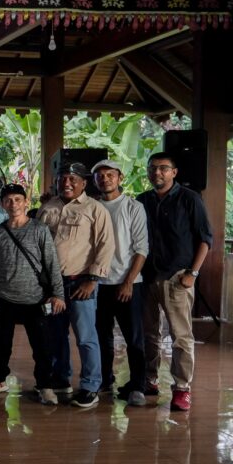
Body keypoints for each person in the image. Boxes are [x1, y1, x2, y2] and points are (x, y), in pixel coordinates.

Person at [137, 152, 212, 412]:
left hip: (177, 277)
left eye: (163, 168)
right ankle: (150, 379)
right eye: (152, 168)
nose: (157, 172)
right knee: (149, 334)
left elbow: (205, 239)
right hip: (146, 277)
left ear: (174, 172)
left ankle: (182, 388)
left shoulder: (190, 199)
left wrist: (192, 273)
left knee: (181, 336)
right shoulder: (142, 200)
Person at [37, 162, 115, 408]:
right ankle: (61, 380)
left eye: (72, 179)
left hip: (81, 282)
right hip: (51, 285)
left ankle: (91, 385)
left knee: (85, 337)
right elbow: (36, 243)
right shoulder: (48, 207)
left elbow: (105, 246)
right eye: (62, 178)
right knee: (55, 336)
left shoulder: (95, 209)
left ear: (84, 183)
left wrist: (93, 280)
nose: (67, 183)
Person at [0, 184, 66, 405]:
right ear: (2, 204)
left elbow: (51, 264)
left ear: (26, 202)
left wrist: (58, 294)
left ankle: (45, 385)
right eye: (8, 200)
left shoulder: (39, 230)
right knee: (0, 343)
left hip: (35, 298)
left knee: (42, 346)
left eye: (18, 200)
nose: (13, 205)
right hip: (3, 297)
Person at [92, 160, 149, 407]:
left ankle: (138, 385)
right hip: (98, 284)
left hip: (128, 284)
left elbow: (141, 249)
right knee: (101, 336)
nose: (105, 179)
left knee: (134, 338)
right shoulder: (91, 207)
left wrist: (127, 282)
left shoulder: (133, 207)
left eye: (110, 175)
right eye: (100, 176)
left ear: (120, 177)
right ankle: (105, 379)